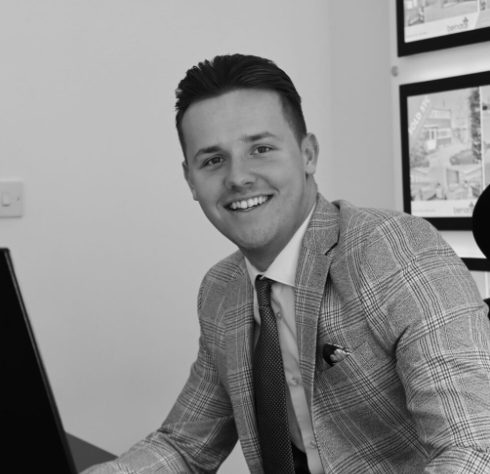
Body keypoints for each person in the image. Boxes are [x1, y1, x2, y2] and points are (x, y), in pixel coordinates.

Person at [83, 54, 490, 474]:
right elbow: (185, 447)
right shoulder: (221, 290)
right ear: (191, 180)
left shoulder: (394, 250)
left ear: (308, 154)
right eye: (213, 160)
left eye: (261, 149)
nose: (238, 177)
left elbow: (475, 450)